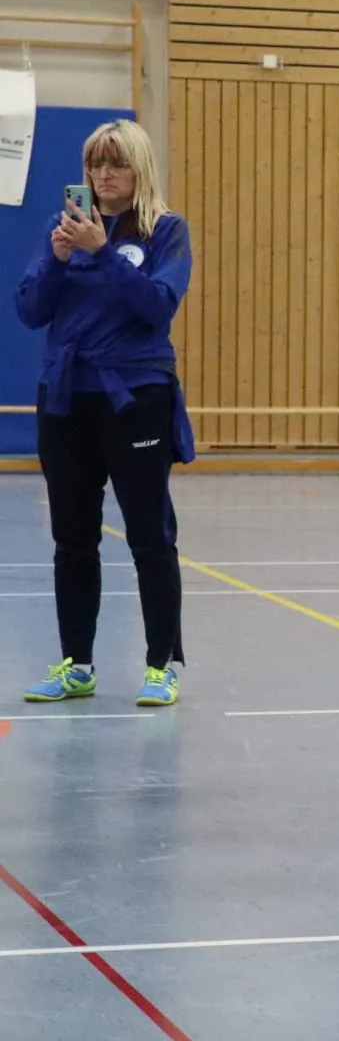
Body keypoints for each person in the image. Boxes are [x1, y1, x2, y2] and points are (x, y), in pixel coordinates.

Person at [17, 119, 194, 709]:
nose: (103, 174)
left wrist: (105, 254)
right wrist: (57, 258)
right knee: (72, 537)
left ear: (139, 168)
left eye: (116, 163)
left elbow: (157, 306)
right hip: (66, 399)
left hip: (135, 396)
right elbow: (30, 310)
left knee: (149, 534)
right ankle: (77, 664)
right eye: (95, 163)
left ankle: (161, 665)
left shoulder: (165, 231)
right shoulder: (63, 227)